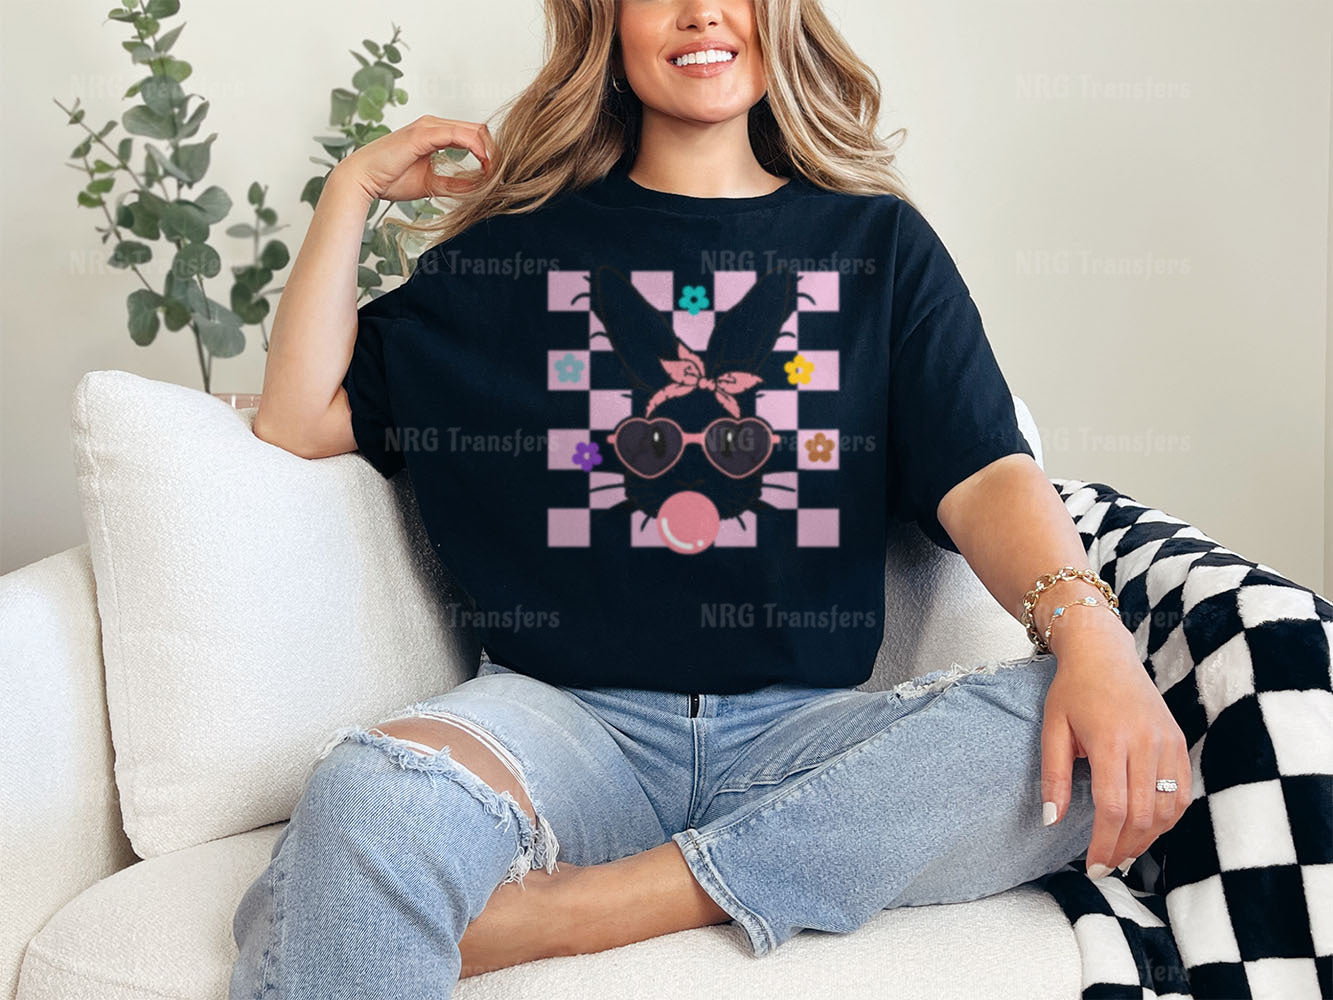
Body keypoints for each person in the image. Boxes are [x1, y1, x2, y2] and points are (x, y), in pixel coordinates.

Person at [230, 1, 1191, 996]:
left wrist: (1088, 637)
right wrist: (352, 191)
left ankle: (589, 910)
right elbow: (302, 417)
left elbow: (985, 472)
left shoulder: (878, 247)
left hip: (805, 739)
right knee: (372, 796)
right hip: (567, 725)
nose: (702, 10)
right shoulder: (515, 255)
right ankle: (735, 871)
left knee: (1084, 741)